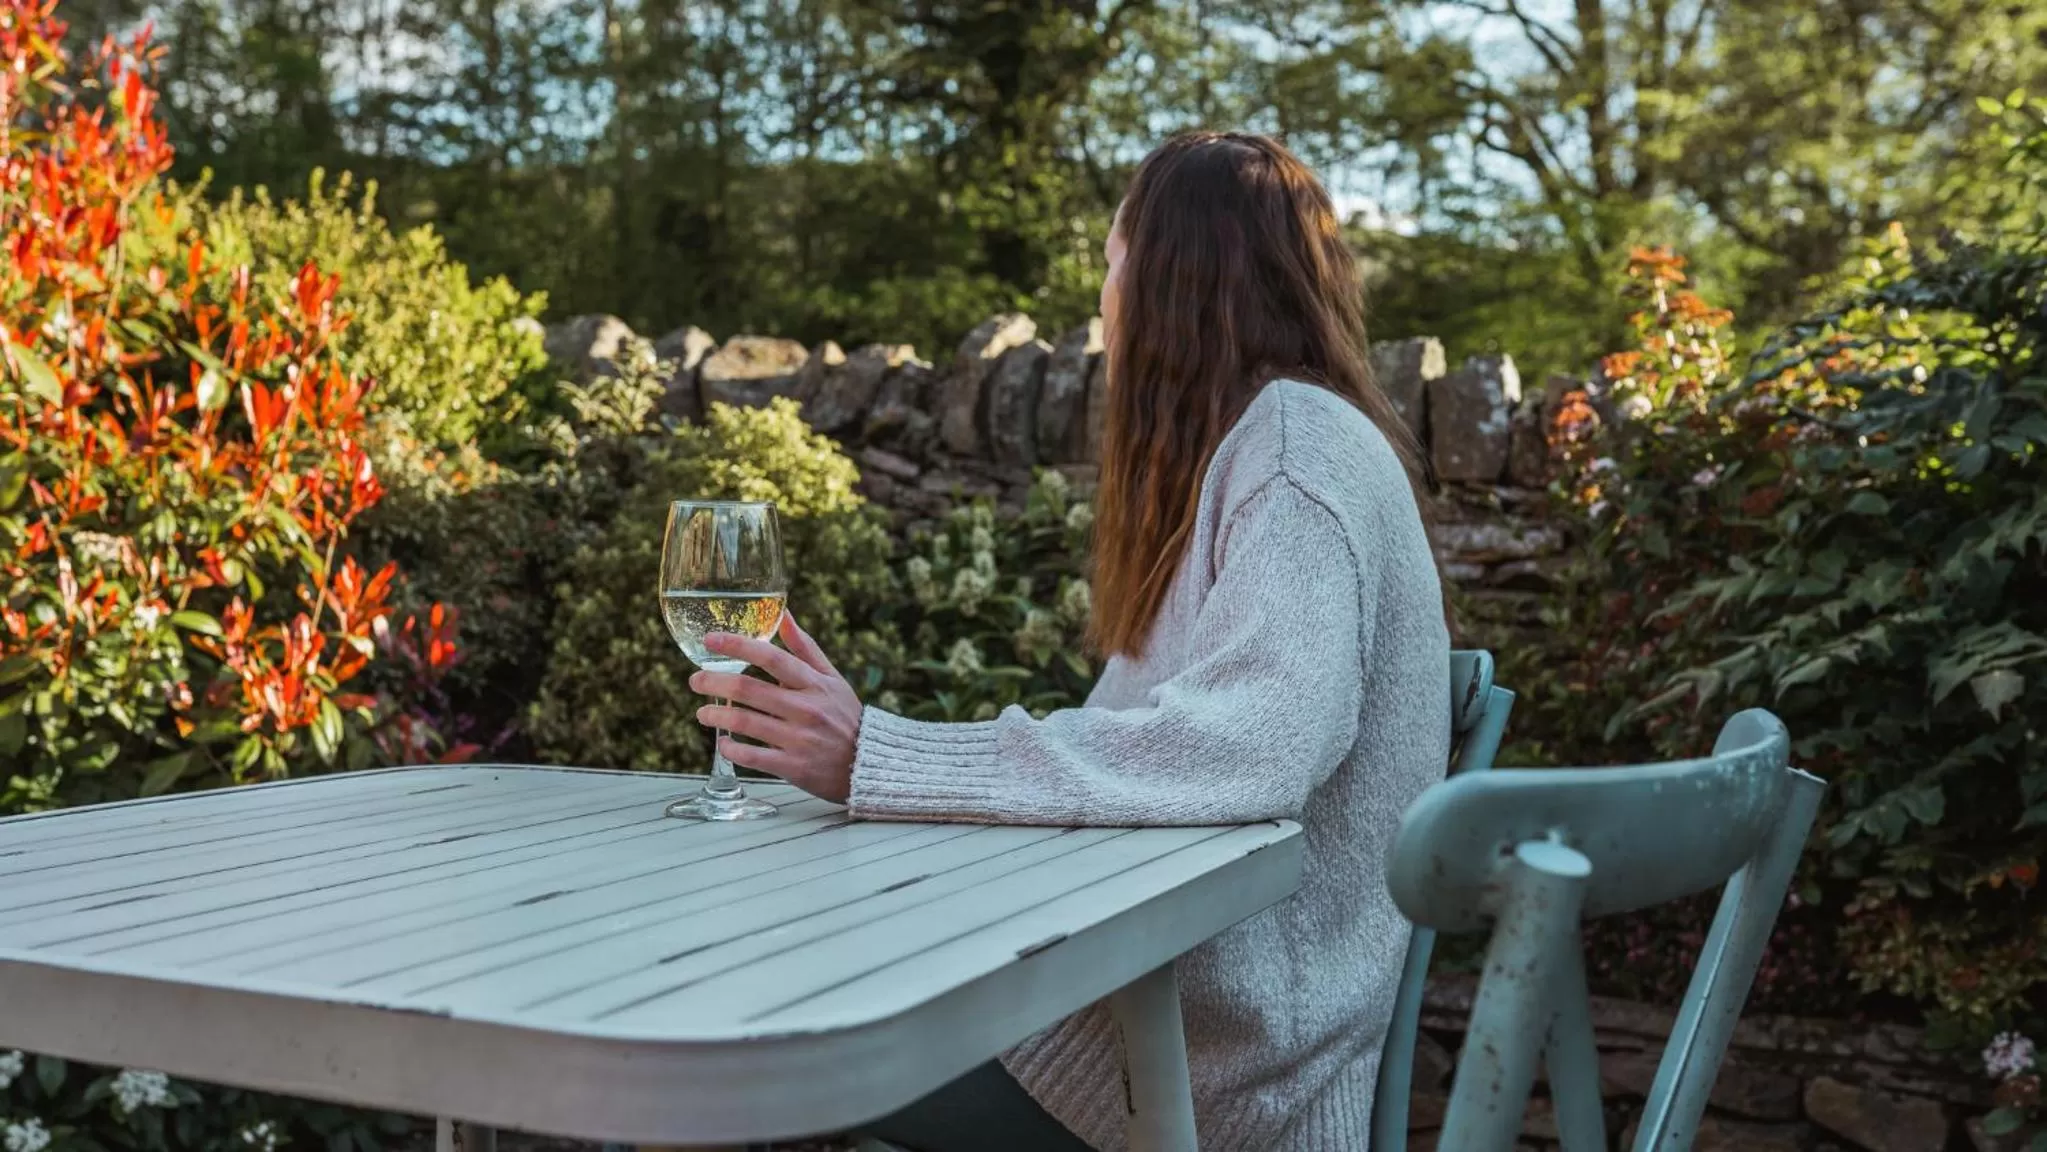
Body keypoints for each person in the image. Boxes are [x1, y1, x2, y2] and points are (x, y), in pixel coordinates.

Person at [686, 131, 1451, 1152]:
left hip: (1202, 1078)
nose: (1103, 301)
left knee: (730, 1028)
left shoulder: (1291, 458)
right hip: (1139, 1031)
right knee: (774, 988)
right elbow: (1137, 763)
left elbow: (1252, 746)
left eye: (1110, 263)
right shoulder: (1260, 450)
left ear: (1171, 279)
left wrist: (878, 753)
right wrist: (868, 758)